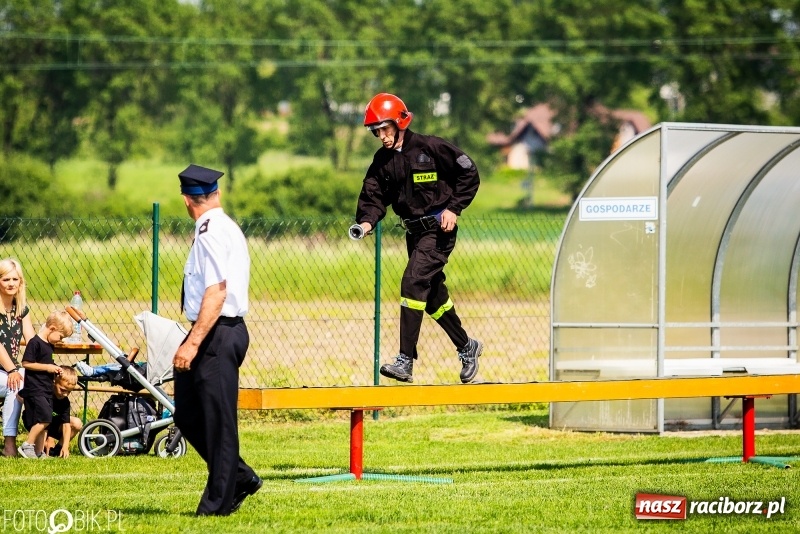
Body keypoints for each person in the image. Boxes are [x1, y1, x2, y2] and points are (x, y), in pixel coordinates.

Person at [351, 92, 483, 384]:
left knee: (412, 282)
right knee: (433, 297)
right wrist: (366, 222)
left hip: (439, 231)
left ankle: (405, 361)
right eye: (376, 131)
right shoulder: (382, 161)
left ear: (400, 122)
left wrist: (454, 208)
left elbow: (469, 172)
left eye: (385, 129)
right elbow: (373, 196)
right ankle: (467, 346)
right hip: (415, 233)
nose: (382, 136)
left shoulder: (431, 147)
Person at [172, 164, 261, 516]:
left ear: (185, 200)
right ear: (216, 194)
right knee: (188, 415)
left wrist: (192, 343)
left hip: (217, 332)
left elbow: (216, 292)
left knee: (218, 420)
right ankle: (240, 477)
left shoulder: (209, 232)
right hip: (212, 330)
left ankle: (216, 505)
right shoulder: (220, 225)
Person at [17, 310, 73, 459]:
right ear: (52, 328)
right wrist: (48, 368)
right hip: (36, 389)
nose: (60, 340)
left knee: (44, 421)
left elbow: (47, 362)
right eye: (60, 336)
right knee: (45, 418)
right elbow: (26, 363)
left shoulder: (49, 345)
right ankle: (27, 444)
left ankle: (39, 452)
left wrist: (55, 369)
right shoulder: (35, 343)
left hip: (46, 389)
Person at [0, 258, 37, 457]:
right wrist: (13, 370)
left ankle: (40, 442)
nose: (11, 283)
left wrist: (44, 363)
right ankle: (9, 445)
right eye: (6, 279)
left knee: (30, 379)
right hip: (6, 371)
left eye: (15, 279)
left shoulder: (21, 309)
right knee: (15, 383)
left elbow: (31, 340)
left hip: (9, 371)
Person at [22, 366, 82, 458]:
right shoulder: (45, 395)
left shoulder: (65, 401)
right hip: (37, 423)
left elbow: (66, 425)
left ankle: (57, 450)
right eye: (63, 390)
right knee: (44, 420)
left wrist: (65, 447)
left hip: (53, 424)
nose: (65, 394)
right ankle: (40, 451)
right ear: (54, 381)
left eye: (69, 392)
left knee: (77, 423)